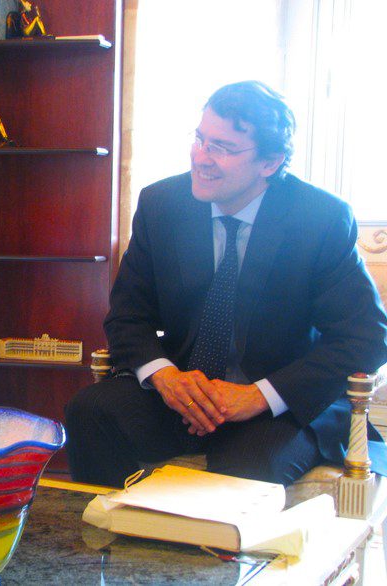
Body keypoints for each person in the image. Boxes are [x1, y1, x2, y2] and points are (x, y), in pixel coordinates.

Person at [65, 81, 387, 488]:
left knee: (247, 471)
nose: (202, 157)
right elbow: (128, 316)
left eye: (223, 148)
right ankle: (109, 547)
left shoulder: (319, 218)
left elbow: (365, 338)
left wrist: (257, 396)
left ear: (269, 163)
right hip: (185, 393)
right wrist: (166, 377)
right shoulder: (163, 204)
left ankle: (220, 554)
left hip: (277, 404)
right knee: (90, 412)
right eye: (200, 139)